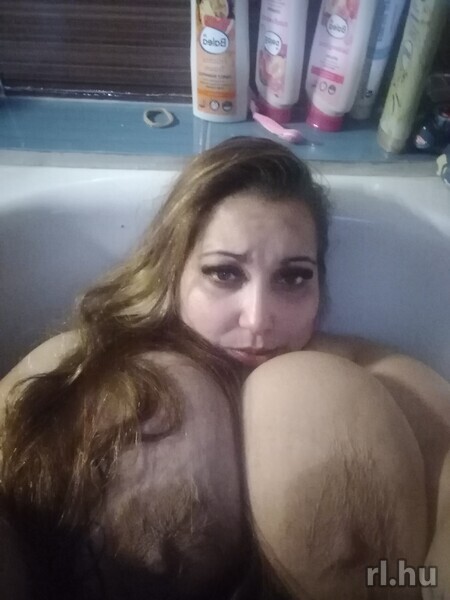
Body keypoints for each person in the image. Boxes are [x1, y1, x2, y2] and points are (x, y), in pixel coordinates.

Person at [0, 136, 449, 600]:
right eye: (224, 273)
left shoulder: (363, 368)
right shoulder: (82, 362)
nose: (257, 319)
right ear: (173, 269)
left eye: (293, 276)